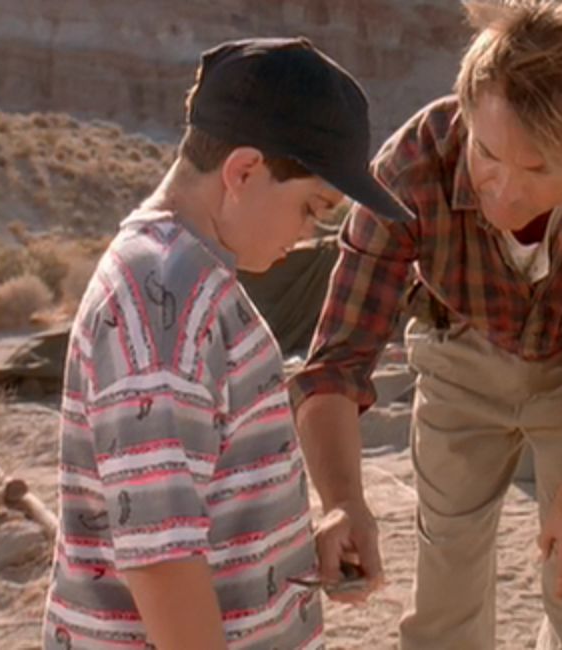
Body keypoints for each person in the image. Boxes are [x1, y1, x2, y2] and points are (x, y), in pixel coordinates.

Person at [290, 1, 562, 648]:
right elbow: (337, 360)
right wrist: (341, 503)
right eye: (486, 153)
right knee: (446, 578)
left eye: (537, 169)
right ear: (467, 110)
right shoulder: (410, 169)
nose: (503, 190)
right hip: (458, 350)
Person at [42, 37, 413, 650]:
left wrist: (294, 542)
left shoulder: (189, 279)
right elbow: (162, 563)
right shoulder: (164, 303)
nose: (306, 234)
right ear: (243, 172)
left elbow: (197, 501)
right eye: (312, 208)